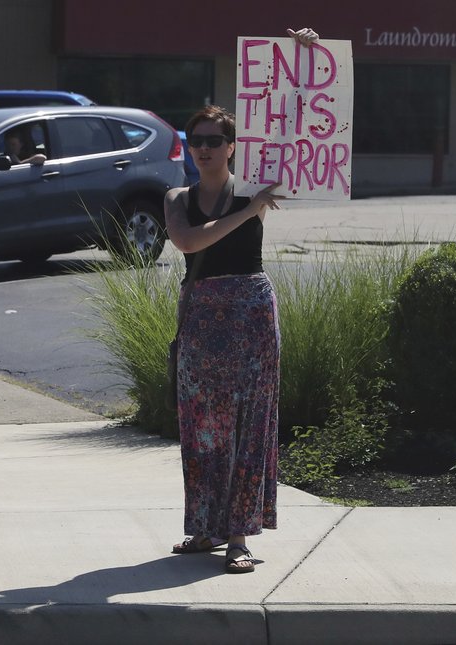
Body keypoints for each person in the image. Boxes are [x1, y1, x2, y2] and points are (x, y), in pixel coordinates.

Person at [164, 27, 318, 574]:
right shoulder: (179, 197)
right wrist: (249, 213)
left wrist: (305, 57)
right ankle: (203, 528)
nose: (204, 149)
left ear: (233, 146)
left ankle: (238, 537)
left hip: (252, 310)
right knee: (202, 425)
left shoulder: (255, 185)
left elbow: (302, 127)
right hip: (202, 316)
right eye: (196, 141)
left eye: (214, 141)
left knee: (249, 426)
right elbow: (188, 242)